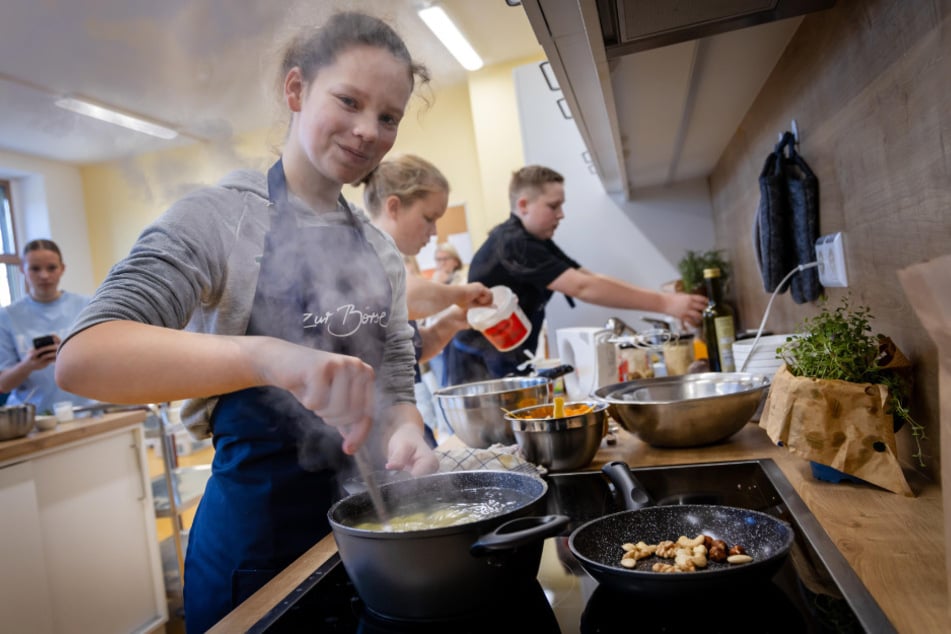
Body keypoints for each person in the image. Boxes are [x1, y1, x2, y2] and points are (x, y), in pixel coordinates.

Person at [55, 12, 439, 632]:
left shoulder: (380, 250)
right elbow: (84, 356)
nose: (370, 131)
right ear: (296, 91)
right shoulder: (221, 221)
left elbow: (396, 381)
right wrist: (267, 356)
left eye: (389, 116)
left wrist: (404, 433)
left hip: (373, 539)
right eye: (349, 101)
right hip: (258, 555)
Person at [447, 165, 709, 384]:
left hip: (504, 357)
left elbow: (590, 279)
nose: (561, 214)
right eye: (553, 206)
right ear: (523, 204)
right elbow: (583, 288)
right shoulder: (515, 243)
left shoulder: (535, 240)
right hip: (478, 362)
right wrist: (665, 303)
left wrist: (665, 300)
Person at [361, 154, 493, 438]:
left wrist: (456, 320)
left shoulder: (392, 261)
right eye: (428, 218)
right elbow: (403, 297)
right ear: (394, 207)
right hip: (376, 433)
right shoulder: (361, 256)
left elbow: (417, 349)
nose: (433, 232)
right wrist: (462, 293)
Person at [0, 239, 97, 413]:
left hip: (85, 411)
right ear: (23, 269)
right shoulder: (7, 317)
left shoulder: (87, 306)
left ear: (62, 269)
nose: (44, 275)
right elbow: (3, 384)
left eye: (51, 268)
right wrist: (28, 365)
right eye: (35, 269)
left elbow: (104, 363)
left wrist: (68, 355)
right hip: (33, 419)